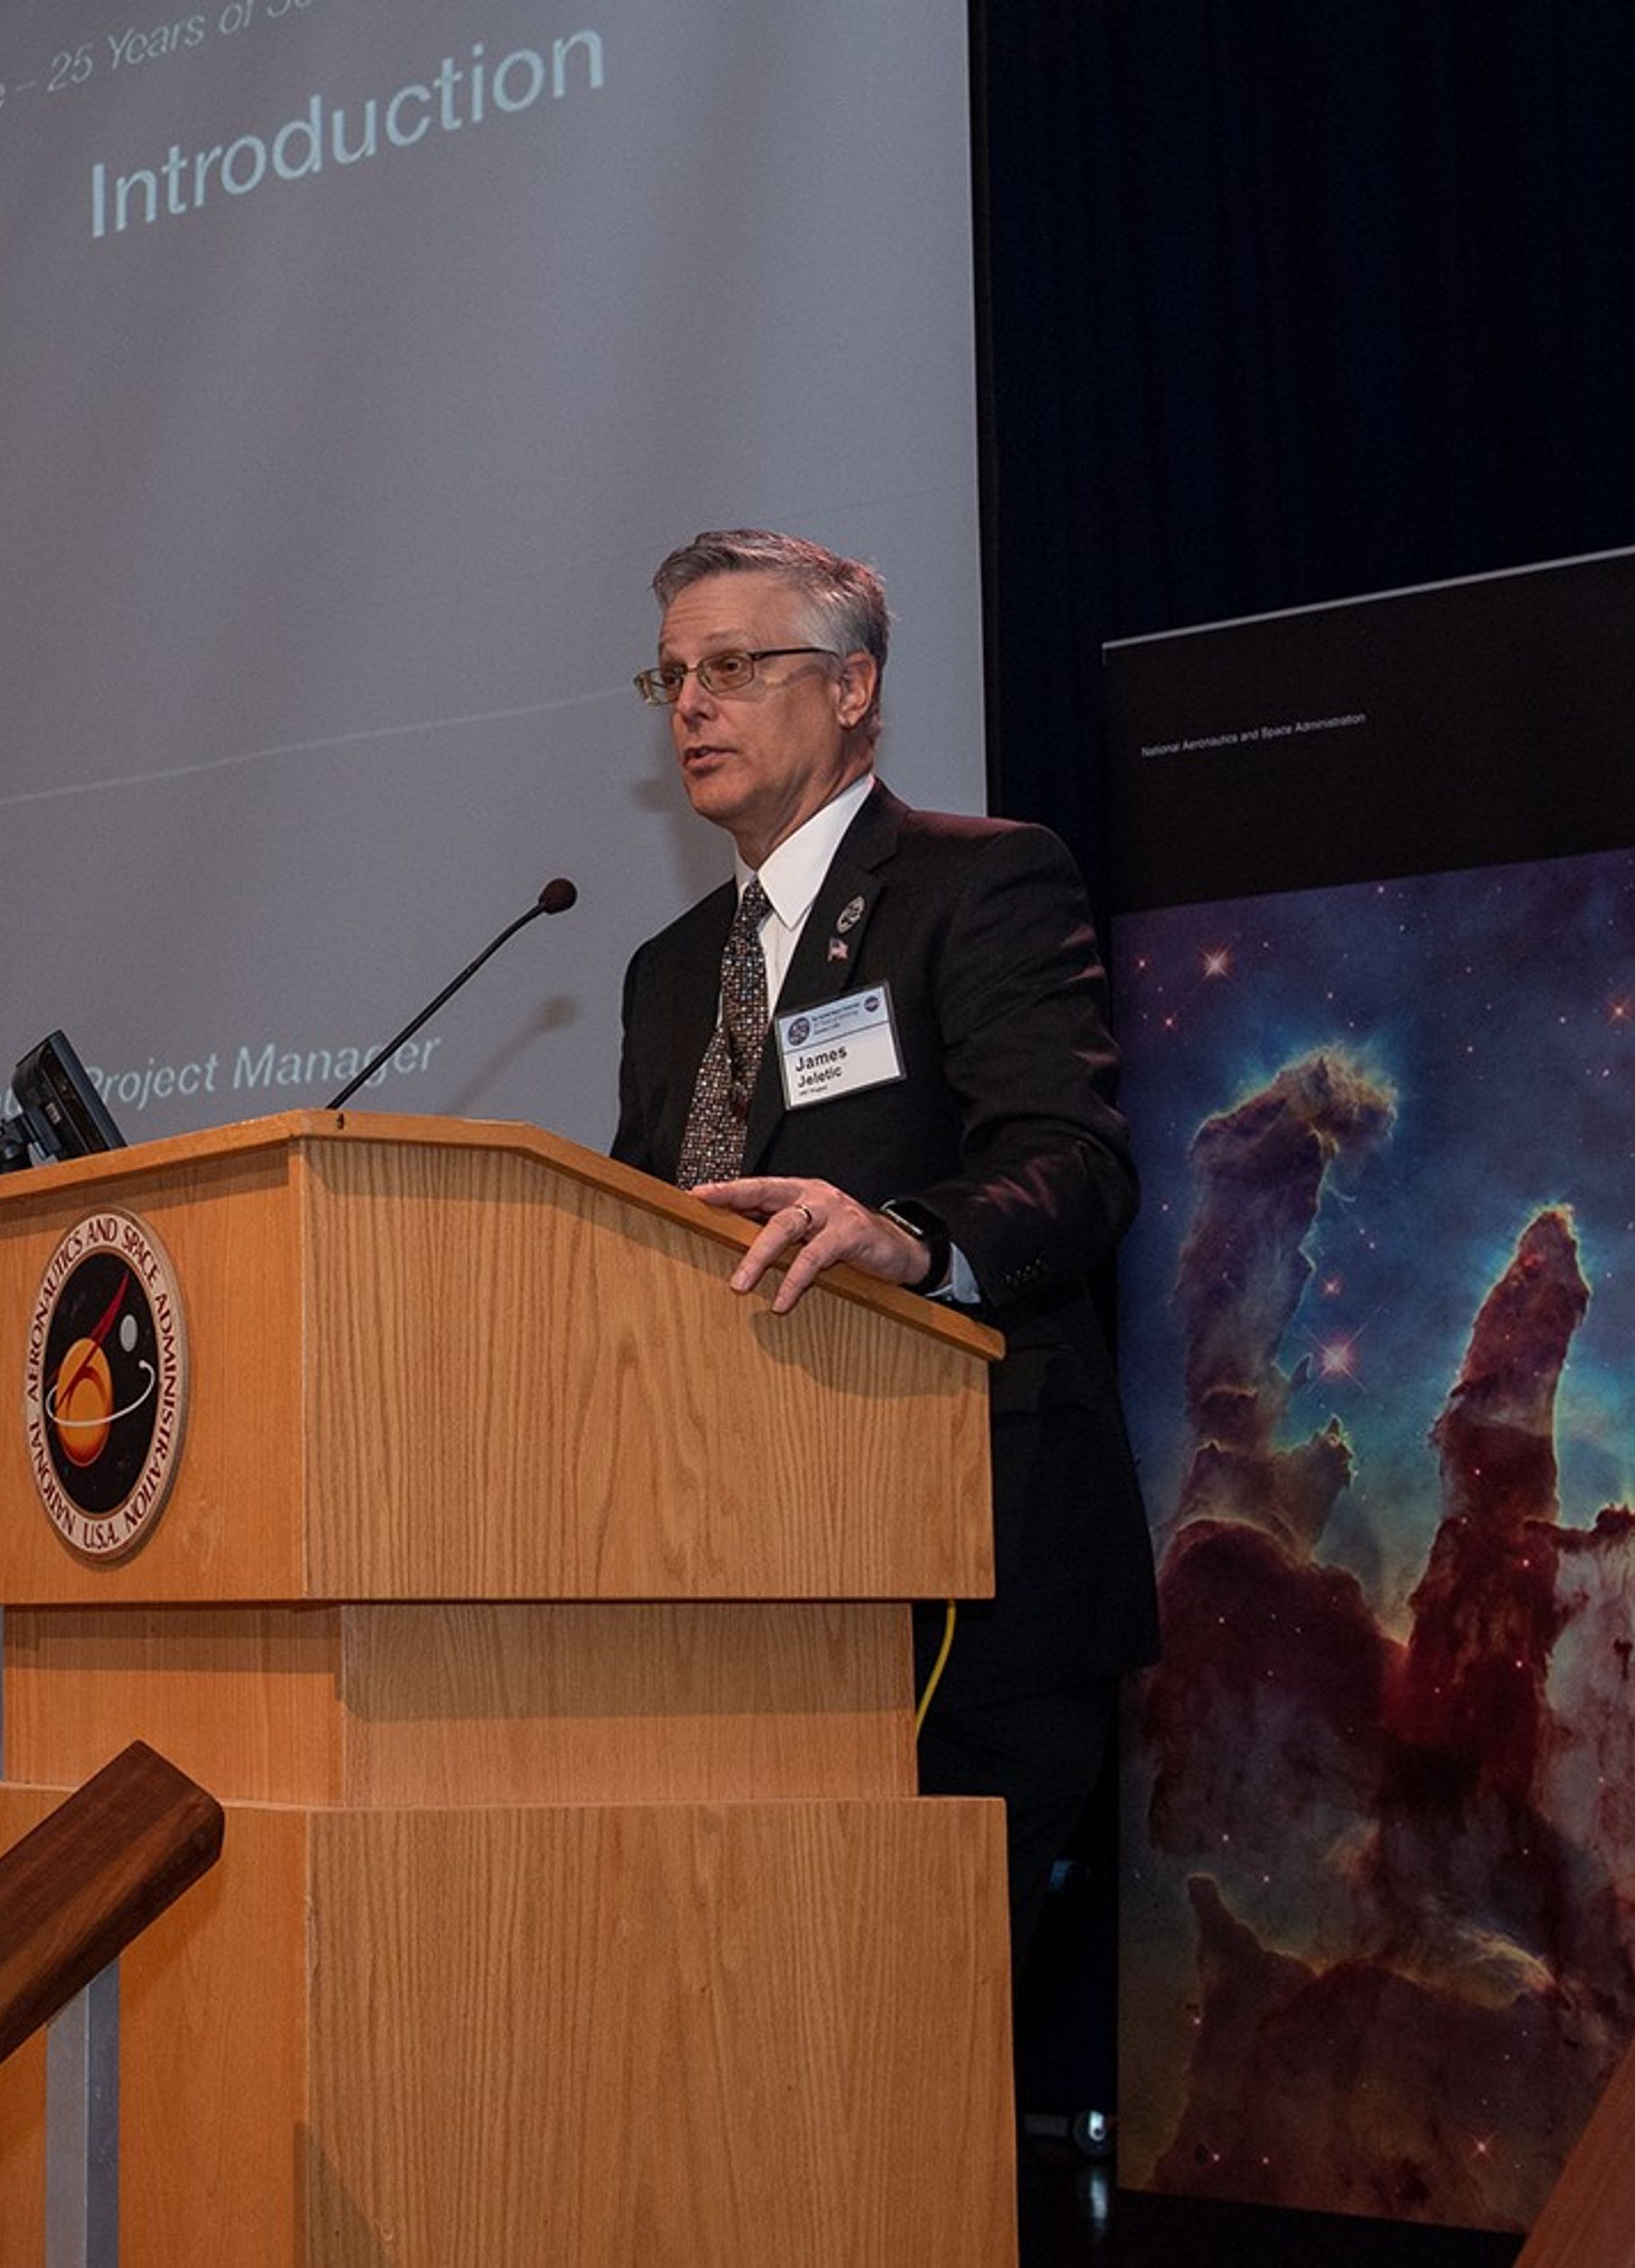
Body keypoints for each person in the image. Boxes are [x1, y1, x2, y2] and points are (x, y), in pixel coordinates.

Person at [610, 527, 1159, 1966]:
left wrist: (912, 1241)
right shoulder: (670, 973)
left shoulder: (981, 883)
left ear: (853, 687)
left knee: (915, 2013)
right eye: (673, 676)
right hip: (734, 1565)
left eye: (735, 665)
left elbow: (1077, 1164)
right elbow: (636, 1232)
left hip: (959, 1556)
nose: (692, 704)